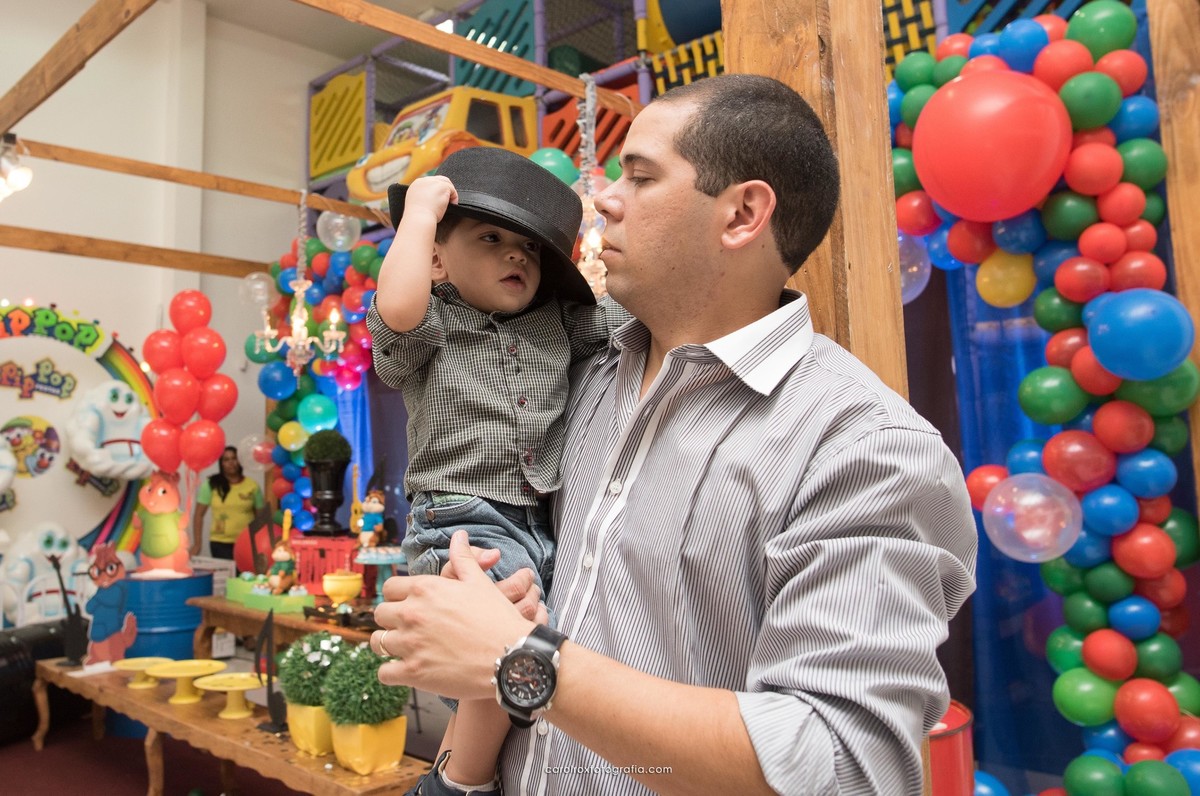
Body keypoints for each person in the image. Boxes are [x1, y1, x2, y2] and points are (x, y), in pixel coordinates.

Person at [371, 73, 978, 795]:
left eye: (640, 175)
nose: (604, 198)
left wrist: (521, 661)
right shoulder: (586, 373)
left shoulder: (861, 448)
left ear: (742, 214)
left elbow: (844, 766)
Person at [365, 145, 630, 796]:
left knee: (500, 663)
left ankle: (452, 774)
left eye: (532, 249)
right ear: (435, 259)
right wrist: (419, 216)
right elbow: (396, 306)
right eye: (491, 238)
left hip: (539, 520)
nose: (518, 255)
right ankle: (462, 784)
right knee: (506, 656)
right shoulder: (431, 322)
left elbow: (631, 319)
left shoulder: (559, 322)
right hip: (458, 515)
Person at [191, 446, 265, 560]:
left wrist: (261, 544)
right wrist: (197, 544)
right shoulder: (211, 484)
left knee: (245, 577)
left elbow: (261, 518)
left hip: (247, 544)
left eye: (234, 458)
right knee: (225, 577)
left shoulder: (252, 485)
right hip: (220, 544)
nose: (231, 463)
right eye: (226, 459)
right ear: (221, 464)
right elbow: (198, 515)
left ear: (240, 461)